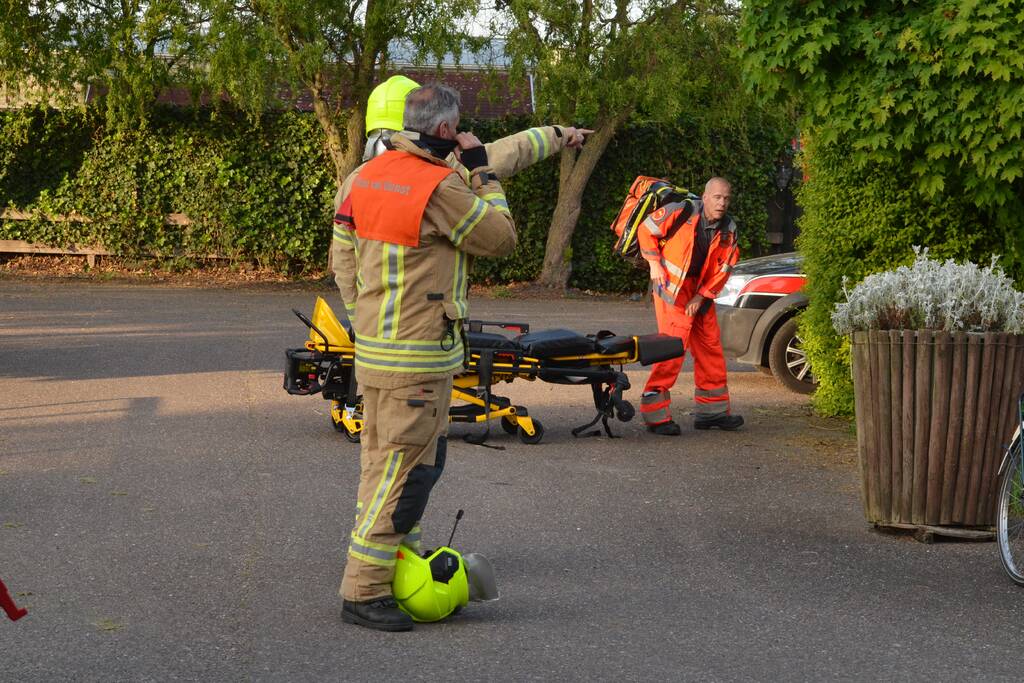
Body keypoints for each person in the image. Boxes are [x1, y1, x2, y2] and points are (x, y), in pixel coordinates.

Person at [332, 83, 517, 632]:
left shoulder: (361, 179)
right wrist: (482, 170)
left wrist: (367, 324)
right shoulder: (440, 187)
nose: (461, 137)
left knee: (390, 468)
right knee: (402, 474)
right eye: (458, 130)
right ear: (443, 132)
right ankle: (363, 591)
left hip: (380, 354)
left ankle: (392, 568)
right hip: (418, 359)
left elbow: (344, 265)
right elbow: (502, 238)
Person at [334, 75, 590, 322]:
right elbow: (510, 153)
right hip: (424, 341)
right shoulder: (439, 177)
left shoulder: (355, 184)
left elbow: (344, 263)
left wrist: (359, 320)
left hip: (373, 342)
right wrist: (560, 134)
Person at [637, 177, 744, 435]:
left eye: (726, 198)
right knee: (672, 348)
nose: (722, 203)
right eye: (717, 197)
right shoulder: (681, 210)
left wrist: (701, 297)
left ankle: (712, 412)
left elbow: (724, 268)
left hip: (699, 293)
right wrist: (653, 264)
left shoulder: (728, 228)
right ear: (705, 197)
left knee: (710, 348)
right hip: (672, 290)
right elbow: (646, 230)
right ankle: (656, 416)